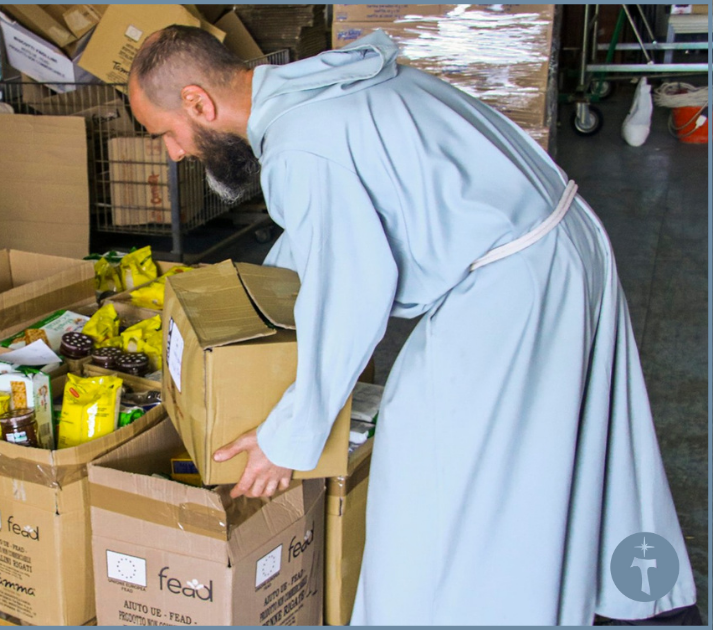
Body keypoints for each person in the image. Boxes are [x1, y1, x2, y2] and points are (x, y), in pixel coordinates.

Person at [127, 26, 698, 625]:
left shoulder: (300, 145)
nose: (174, 151)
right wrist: (246, 309)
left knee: (438, 489)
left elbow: (352, 290)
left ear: (197, 103)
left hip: (509, 289)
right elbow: (326, 231)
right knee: (557, 452)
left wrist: (287, 436)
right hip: (559, 243)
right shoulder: (324, 88)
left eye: (165, 133)